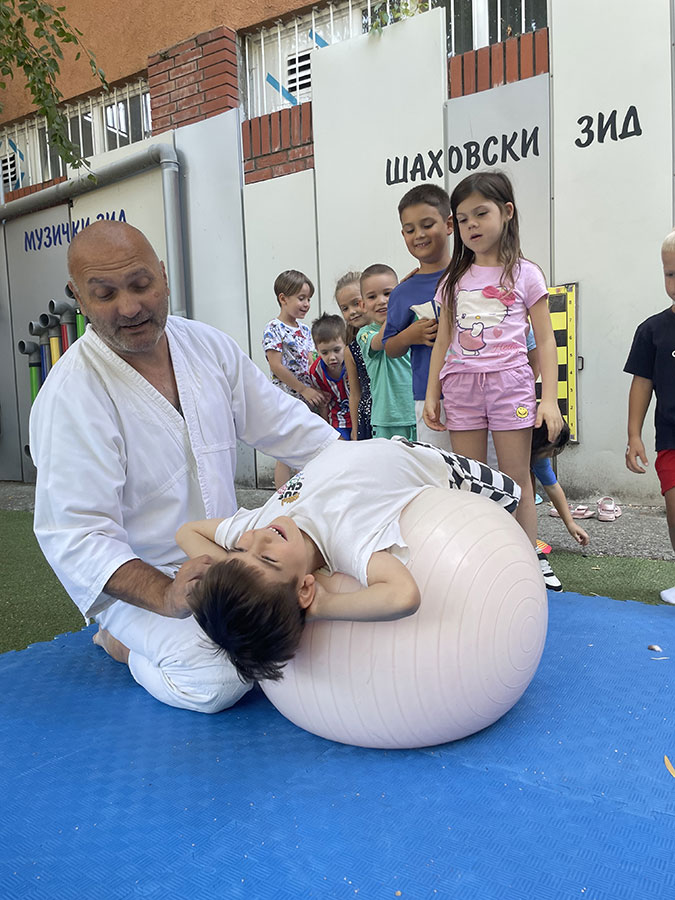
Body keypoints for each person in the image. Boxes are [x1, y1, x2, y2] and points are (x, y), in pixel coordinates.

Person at [29, 220, 340, 713]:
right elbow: (76, 536)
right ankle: (122, 643)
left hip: (232, 555)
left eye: (141, 284)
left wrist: (373, 468)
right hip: (144, 584)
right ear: (78, 298)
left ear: (164, 275)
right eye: (105, 293)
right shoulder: (70, 397)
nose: (129, 307)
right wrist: (167, 595)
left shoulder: (207, 347)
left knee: (328, 616)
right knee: (221, 675)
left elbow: (292, 429)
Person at [177, 438, 521, 682]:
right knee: (515, 495)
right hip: (432, 463)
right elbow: (404, 595)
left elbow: (187, 532)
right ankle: (531, 558)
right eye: (267, 558)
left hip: (372, 445)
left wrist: (234, 572)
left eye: (239, 551)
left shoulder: (257, 527)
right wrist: (321, 606)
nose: (258, 539)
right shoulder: (347, 537)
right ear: (305, 588)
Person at [423, 171, 563, 578]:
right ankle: (482, 567)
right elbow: (443, 340)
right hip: (461, 386)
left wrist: (549, 400)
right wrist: (432, 392)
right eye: (463, 219)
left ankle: (527, 563)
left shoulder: (526, 274)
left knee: (516, 477)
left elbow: (546, 341)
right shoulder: (452, 280)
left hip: (510, 385)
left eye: (481, 214)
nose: (472, 225)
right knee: (474, 481)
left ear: (507, 212)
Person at [625, 228, 675, 605]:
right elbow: (642, 384)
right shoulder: (652, 330)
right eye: (670, 273)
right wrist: (634, 435)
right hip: (671, 438)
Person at [383, 184, 453, 450]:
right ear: (403, 234)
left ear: (449, 224)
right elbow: (390, 347)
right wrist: (410, 336)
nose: (419, 235)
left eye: (427, 225)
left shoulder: (473, 275)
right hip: (429, 398)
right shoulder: (403, 292)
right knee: (439, 466)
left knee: (487, 467)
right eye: (410, 230)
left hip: (481, 393)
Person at [262, 269, 326, 488]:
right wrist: (303, 389)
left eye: (308, 299)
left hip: (307, 400)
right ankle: (283, 497)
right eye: (301, 298)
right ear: (283, 298)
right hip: (286, 399)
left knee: (306, 448)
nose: (306, 304)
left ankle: (303, 494)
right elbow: (276, 365)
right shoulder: (274, 328)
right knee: (286, 451)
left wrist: (317, 388)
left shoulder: (306, 330)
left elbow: (312, 362)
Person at [357, 264, 416, 441]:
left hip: (417, 413)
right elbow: (382, 340)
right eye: (372, 297)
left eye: (388, 293)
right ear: (363, 305)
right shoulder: (365, 334)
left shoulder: (413, 325)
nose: (381, 301)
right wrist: (399, 300)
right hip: (387, 420)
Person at [531, 422, 590, 591]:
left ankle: (532, 548)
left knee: (527, 486)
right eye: (549, 449)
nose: (551, 455)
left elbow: (552, 486)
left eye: (555, 450)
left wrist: (570, 523)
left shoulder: (539, 459)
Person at [335, 271, 372, 441]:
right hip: (368, 417)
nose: (352, 311)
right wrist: (355, 430)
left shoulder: (390, 337)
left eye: (356, 303)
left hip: (396, 411)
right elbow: (355, 394)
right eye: (345, 308)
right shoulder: (350, 351)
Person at [308, 313, 351, 440]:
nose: (332, 357)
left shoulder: (353, 363)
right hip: (338, 420)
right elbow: (323, 404)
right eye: (325, 352)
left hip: (361, 417)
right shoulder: (316, 372)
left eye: (337, 350)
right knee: (340, 447)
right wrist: (326, 430)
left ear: (346, 343)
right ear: (317, 349)